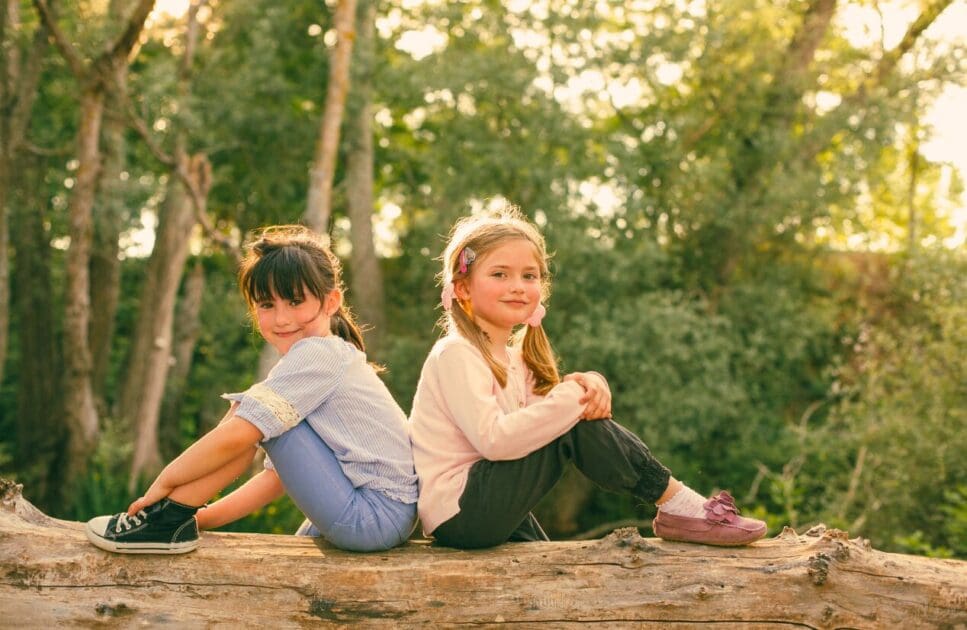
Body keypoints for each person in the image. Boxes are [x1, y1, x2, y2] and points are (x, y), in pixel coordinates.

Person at [408, 207, 767, 549]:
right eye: (499, 274)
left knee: (547, 571)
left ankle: (681, 508)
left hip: (484, 501)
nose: (517, 286)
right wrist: (574, 397)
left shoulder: (514, 360)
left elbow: (539, 421)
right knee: (571, 422)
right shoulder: (456, 353)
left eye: (529, 276)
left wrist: (588, 382)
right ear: (464, 287)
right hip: (460, 510)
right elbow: (496, 441)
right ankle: (680, 506)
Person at [86, 225, 418, 554]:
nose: (281, 318)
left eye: (295, 301)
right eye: (267, 305)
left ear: (331, 302)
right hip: (381, 514)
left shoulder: (318, 354)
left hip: (373, 515)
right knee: (255, 413)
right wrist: (199, 520)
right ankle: (172, 519)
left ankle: (165, 516)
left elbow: (238, 437)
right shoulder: (318, 363)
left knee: (250, 417)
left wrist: (163, 485)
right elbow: (274, 480)